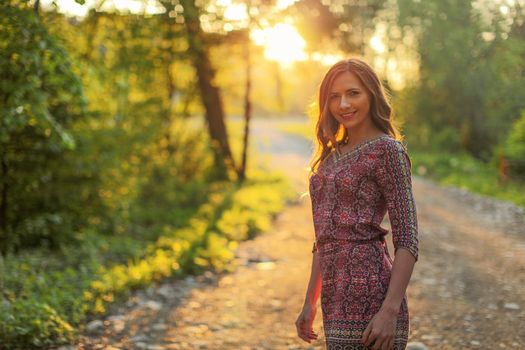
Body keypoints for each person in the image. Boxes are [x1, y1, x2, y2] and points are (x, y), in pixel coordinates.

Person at [295, 58, 419, 350]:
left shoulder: (387, 151)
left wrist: (389, 311)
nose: (343, 104)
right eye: (334, 97)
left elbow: (408, 238)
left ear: (372, 95)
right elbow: (324, 238)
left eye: (353, 93)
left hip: (373, 295)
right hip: (335, 299)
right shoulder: (330, 157)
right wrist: (309, 302)